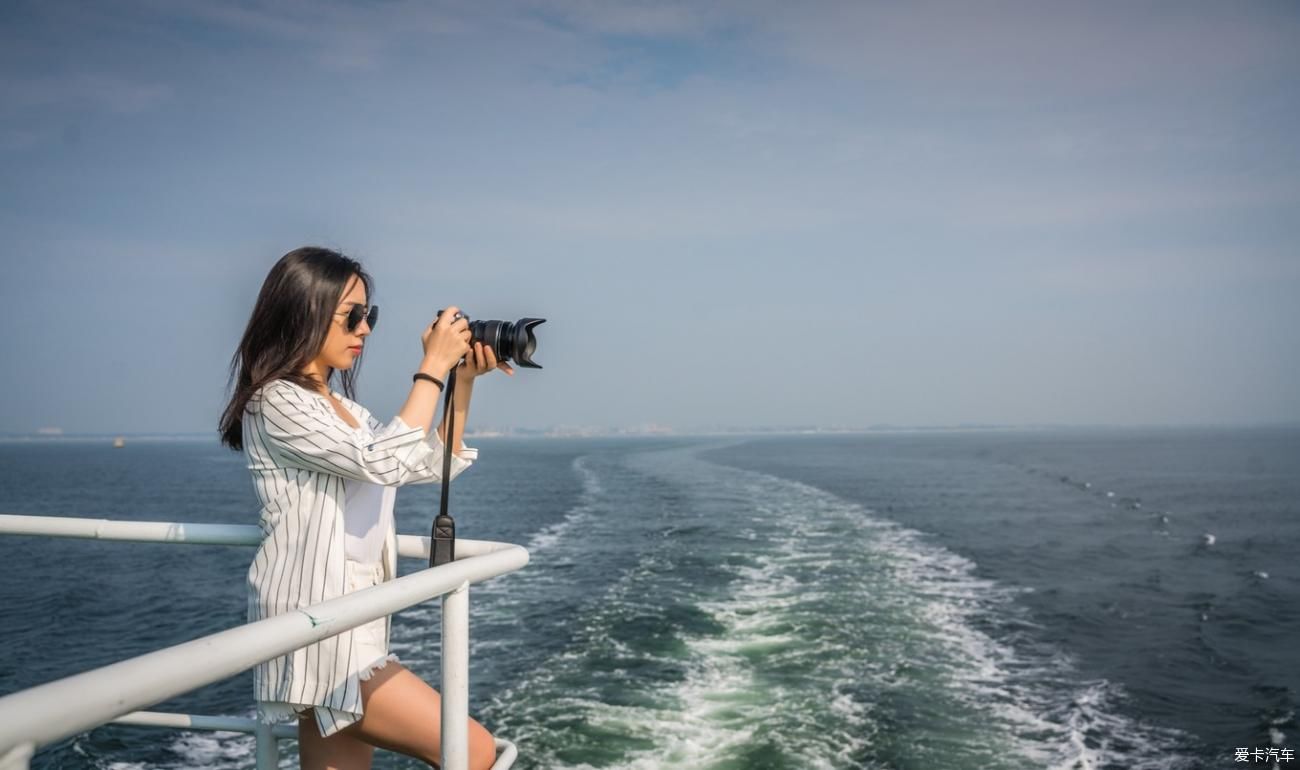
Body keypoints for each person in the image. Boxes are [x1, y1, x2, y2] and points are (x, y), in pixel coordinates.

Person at [218, 246, 512, 770]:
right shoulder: (276, 401)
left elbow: (418, 464)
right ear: (303, 314)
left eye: (368, 315)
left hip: (355, 623)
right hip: (317, 633)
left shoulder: (344, 410)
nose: (365, 329)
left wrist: (460, 381)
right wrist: (431, 367)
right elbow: (382, 461)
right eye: (352, 315)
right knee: (475, 751)